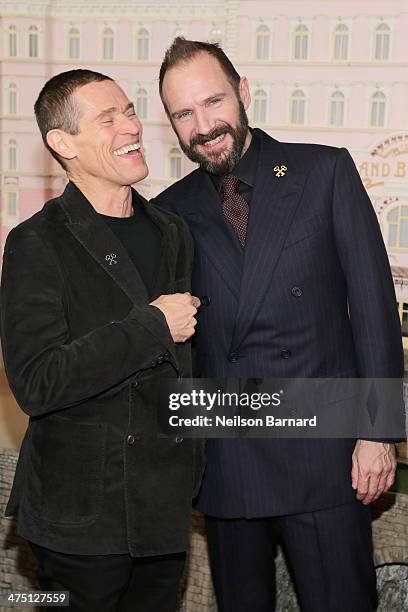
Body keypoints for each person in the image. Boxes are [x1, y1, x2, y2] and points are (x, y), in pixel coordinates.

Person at [154, 38, 404, 612]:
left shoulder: (323, 170)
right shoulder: (168, 212)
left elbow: (373, 309)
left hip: (325, 451)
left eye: (212, 102)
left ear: (242, 93)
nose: (203, 125)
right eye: (183, 114)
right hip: (227, 458)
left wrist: (377, 433)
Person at [1, 69, 203, 612]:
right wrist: (151, 325)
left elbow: (181, 367)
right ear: (62, 144)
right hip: (80, 519)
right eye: (107, 118)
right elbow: (39, 383)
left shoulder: (171, 232)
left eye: (130, 111)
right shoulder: (36, 243)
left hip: (161, 510)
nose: (130, 126)